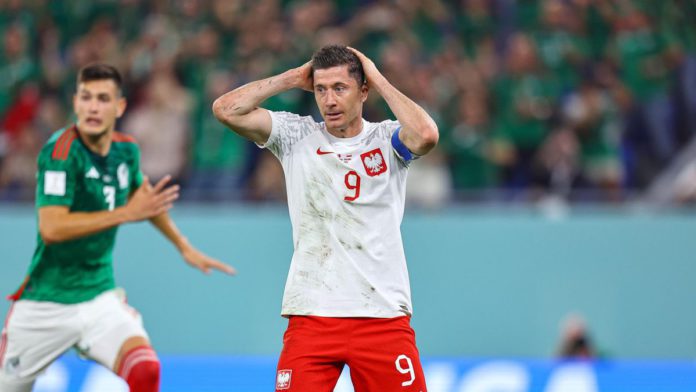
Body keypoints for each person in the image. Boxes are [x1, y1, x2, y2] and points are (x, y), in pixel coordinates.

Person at [213, 44, 438, 391]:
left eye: (340, 88)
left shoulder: (387, 140)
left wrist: (375, 75)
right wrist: (291, 78)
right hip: (312, 314)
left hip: (381, 316)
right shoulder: (295, 136)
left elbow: (426, 135)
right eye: (321, 89)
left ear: (363, 91)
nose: (329, 100)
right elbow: (226, 109)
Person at [0, 64, 235, 392]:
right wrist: (125, 213)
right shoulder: (62, 151)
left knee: (146, 370)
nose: (93, 106)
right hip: (45, 304)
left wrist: (183, 245)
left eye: (102, 98)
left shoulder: (125, 150)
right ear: (75, 102)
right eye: (86, 97)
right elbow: (52, 227)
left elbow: (143, 198)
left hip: (98, 296)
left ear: (119, 107)